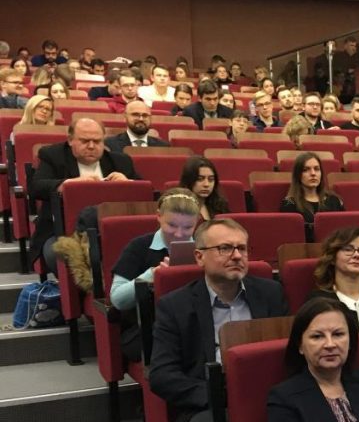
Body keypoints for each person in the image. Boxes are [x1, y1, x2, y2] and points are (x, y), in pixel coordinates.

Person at [150, 218, 289, 422]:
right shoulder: (175, 305)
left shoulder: (270, 293)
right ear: (199, 256)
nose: (237, 255)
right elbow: (161, 374)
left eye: (242, 248)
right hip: (208, 399)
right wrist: (215, 395)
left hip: (267, 393)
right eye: (225, 248)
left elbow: (287, 351)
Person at [30, 118, 139, 272]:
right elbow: (36, 188)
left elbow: (146, 192)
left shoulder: (120, 161)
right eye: (85, 141)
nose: (91, 146)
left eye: (97, 141)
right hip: (63, 232)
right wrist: (67, 184)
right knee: (60, 255)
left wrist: (128, 183)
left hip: (111, 230)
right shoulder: (53, 155)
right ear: (70, 140)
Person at [109, 189, 201, 361]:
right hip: (148, 327)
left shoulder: (204, 248)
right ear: (158, 216)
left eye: (188, 227)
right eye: (171, 225)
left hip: (195, 323)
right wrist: (152, 275)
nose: (179, 234)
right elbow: (117, 299)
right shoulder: (138, 247)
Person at [279, 152, 344, 227]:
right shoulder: (289, 204)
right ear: (298, 175)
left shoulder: (335, 200)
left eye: (317, 169)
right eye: (305, 170)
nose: (313, 173)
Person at [105, 100, 171, 152]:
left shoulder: (163, 147)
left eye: (145, 115)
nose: (141, 119)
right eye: (135, 115)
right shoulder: (110, 144)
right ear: (125, 117)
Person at [179, 156, 230, 221]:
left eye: (211, 179)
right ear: (188, 180)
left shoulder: (219, 206)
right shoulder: (179, 207)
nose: (206, 184)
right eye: (200, 179)